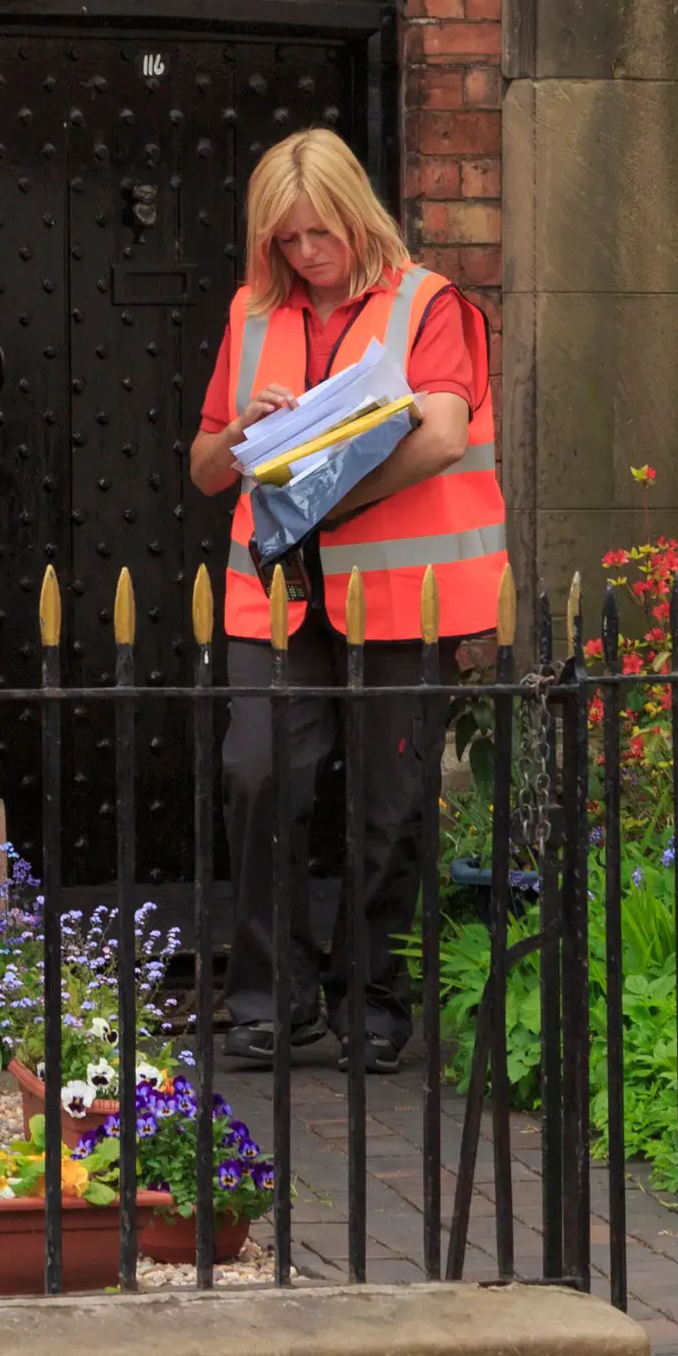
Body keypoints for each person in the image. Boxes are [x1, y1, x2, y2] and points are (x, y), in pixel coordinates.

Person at [187, 129, 507, 1072]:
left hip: (401, 595)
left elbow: (444, 435)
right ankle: (268, 999)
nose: (304, 255)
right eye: (285, 240)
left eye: (318, 233)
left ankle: (371, 1000)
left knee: (392, 803)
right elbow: (207, 468)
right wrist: (245, 432)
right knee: (257, 776)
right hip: (275, 597)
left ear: (357, 215)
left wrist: (323, 493)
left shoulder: (427, 305)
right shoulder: (251, 315)